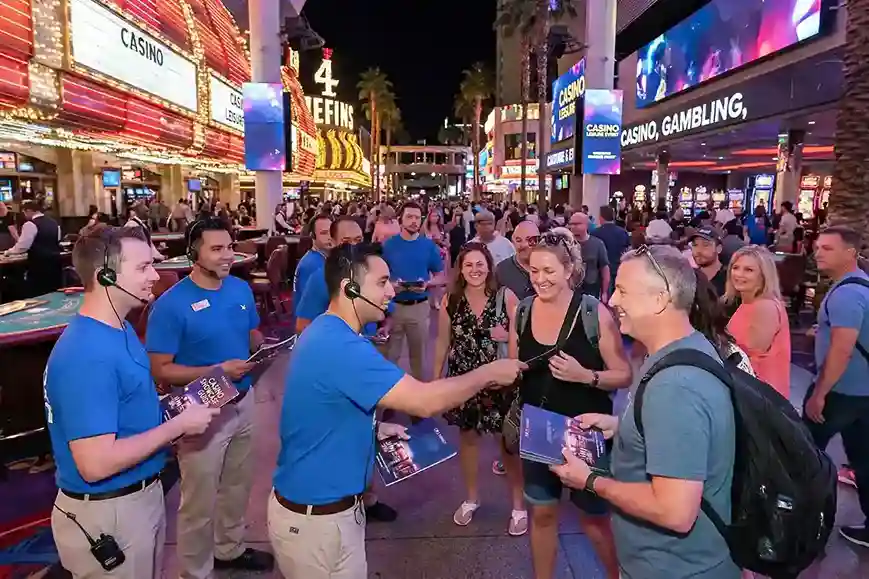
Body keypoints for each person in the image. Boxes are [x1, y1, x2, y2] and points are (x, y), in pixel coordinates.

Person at [268, 243, 526, 579]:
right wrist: (490, 372)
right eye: (382, 282)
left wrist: (373, 427)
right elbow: (423, 401)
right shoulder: (342, 346)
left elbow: (325, 407)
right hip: (315, 522)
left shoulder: (330, 332)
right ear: (351, 289)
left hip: (332, 513)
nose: (392, 289)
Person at [551, 244, 739, 579]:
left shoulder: (675, 386)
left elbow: (675, 511)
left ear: (660, 299)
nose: (613, 301)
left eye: (623, 291)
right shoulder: (684, 349)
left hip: (674, 569)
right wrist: (622, 425)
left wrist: (590, 480)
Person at [45, 226, 217, 578]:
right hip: (111, 513)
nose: (155, 275)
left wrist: (171, 409)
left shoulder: (118, 329)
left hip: (137, 499)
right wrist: (176, 427)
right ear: (105, 276)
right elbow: (95, 463)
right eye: (142, 268)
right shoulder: (87, 354)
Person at [146, 218, 273, 579]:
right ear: (193, 253)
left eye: (230, 247)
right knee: (198, 501)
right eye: (216, 249)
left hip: (243, 400)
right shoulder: (170, 306)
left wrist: (261, 346)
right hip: (200, 410)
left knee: (237, 485)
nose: (227, 255)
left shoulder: (240, 290)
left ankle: (229, 550)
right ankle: (195, 571)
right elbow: (161, 370)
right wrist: (216, 370)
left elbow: (250, 333)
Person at [517, 228, 632, 579]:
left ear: (569, 270)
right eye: (534, 270)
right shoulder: (522, 310)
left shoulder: (593, 312)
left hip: (586, 433)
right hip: (537, 431)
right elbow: (516, 366)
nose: (540, 279)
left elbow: (623, 374)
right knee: (542, 514)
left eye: (549, 271)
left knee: (594, 519)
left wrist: (586, 376)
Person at [434, 243, 527, 535]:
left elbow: (520, 337)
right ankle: (472, 498)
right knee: (469, 440)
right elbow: (441, 343)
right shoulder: (451, 300)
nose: (475, 270)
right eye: (469, 265)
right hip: (464, 381)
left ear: (489, 266)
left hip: (500, 382)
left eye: (480, 264)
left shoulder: (506, 296)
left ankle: (518, 506)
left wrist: (511, 355)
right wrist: (435, 380)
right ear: (460, 269)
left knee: (508, 446)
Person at [805, 225, 869, 546]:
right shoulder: (861, 286)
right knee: (863, 459)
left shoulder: (845, 293)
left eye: (827, 248)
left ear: (850, 253)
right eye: (818, 247)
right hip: (864, 392)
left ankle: (806, 523)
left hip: (840, 392)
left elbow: (843, 349)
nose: (818, 253)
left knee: (803, 453)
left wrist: (819, 394)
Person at [382, 202, 444, 383]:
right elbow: (377, 275)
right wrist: (391, 285)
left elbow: (441, 276)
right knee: (390, 357)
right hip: (392, 308)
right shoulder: (388, 246)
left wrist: (427, 283)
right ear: (400, 219)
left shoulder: (428, 246)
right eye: (409, 216)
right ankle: (388, 401)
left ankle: (418, 401)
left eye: (417, 217)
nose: (414, 221)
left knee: (419, 358)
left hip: (419, 307)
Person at [724, 245, 791, 398]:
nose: (739, 274)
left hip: (760, 396)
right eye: (736, 267)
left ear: (763, 275)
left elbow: (748, 355)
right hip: (747, 389)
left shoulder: (765, 307)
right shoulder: (748, 302)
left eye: (749, 270)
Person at [4, 199, 62, 297]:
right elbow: (58, 239)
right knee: (53, 293)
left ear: (29, 211)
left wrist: (8, 252)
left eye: (24, 212)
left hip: (39, 265)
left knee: (39, 294)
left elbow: (22, 247)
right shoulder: (54, 223)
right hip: (55, 263)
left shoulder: (30, 224)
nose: (24, 215)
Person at [291, 213, 332, 315]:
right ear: (312, 236)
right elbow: (314, 308)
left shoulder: (319, 258)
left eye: (332, 232)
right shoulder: (312, 265)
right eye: (324, 233)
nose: (330, 237)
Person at [568, 212, 610, 300]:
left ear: (586, 225)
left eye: (577, 224)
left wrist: (604, 292)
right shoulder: (566, 244)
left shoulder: (598, 244)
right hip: (570, 290)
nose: (573, 227)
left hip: (591, 290)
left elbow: (604, 269)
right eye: (571, 224)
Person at [591, 206, 630, 298]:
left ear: (601, 217)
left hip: (601, 272)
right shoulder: (623, 232)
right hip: (618, 268)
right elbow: (627, 250)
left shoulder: (595, 233)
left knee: (605, 298)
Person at [496, 220, 540, 301]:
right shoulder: (501, 270)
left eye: (530, 240)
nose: (524, 245)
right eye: (519, 240)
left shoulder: (549, 267)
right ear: (513, 242)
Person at [689, 227, 727, 297]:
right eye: (695, 245)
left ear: (719, 248)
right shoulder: (690, 278)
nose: (698, 250)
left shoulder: (730, 278)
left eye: (705, 245)